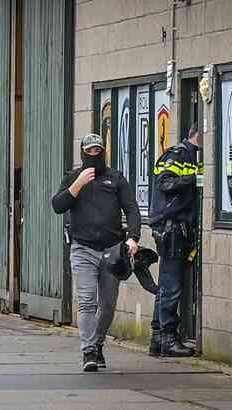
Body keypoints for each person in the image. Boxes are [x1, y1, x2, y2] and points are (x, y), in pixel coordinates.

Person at [52, 133, 141, 372]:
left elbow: (132, 209)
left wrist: (133, 237)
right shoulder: (73, 178)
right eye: (89, 151)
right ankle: (88, 351)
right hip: (82, 249)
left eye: (97, 151)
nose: (93, 155)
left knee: (108, 304)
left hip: (112, 250)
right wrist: (78, 184)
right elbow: (57, 206)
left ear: (103, 152)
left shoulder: (115, 178)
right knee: (87, 302)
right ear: (82, 153)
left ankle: (98, 342)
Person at [148, 124, 200, 357]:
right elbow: (164, 183)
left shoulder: (191, 156)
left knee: (168, 284)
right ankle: (167, 338)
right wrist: (193, 178)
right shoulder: (178, 154)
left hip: (180, 226)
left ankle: (158, 338)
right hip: (171, 227)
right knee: (172, 284)